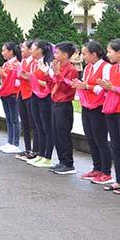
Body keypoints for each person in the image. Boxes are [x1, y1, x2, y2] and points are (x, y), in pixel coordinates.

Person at [72, 41, 112, 185]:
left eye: (84, 54)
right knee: (91, 138)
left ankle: (106, 171)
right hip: (87, 105)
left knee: (100, 139)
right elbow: (85, 84)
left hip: (99, 106)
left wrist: (86, 86)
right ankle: (97, 167)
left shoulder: (106, 67)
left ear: (94, 54)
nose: (82, 57)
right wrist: (80, 85)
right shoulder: (88, 67)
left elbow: (105, 88)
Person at [49, 42, 79, 175]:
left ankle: (68, 163)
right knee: (56, 133)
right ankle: (62, 160)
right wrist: (55, 72)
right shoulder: (59, 66)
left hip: (64, 103)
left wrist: (58, 73)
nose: (55, 55)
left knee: (63, 134)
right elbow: (54, 83)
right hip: (55, 102)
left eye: (57, 52)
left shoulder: (71, 69)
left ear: (65, 55)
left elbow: (68, 87)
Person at [26, 41, 54, 168]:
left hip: (45, 97)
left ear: (40, 50)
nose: (31, 51)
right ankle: (40, 154)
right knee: (38, 126)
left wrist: (35, 80)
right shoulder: (34, 63)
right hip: (35, 95)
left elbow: (51, 83)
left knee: (46, 127)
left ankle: (47, 156)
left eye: (33, 48)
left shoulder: (49, 63)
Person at [98, 39, 120, 193]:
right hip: (111, 110)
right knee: (116, 146)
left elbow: (114, 88)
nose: (108, 54)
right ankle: (118, 180)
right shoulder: (112, 69)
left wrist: (111, 87)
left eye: (110, 51)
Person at [0, 42, 22, 154]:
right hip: (5, 93)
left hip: (13, 94)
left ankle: (15, 143)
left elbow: (17, 82)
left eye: (4, 50)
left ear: (11, 51)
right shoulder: (6, 64)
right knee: (9, 119)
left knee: (14, 119)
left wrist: (4, 74)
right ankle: (9, 142)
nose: (2, 53)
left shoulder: (17, 64)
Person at [15, 40, 39, 162]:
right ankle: (27, 148)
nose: (21, 50)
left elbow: (34, 79)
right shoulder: (23, 62)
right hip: (21, 93)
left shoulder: (34, 63)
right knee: (24, 123)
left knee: (33, 123)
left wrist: (25, 76)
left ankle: (35, 150)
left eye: (23, 48)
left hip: (30, 94)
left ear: (30, 50)